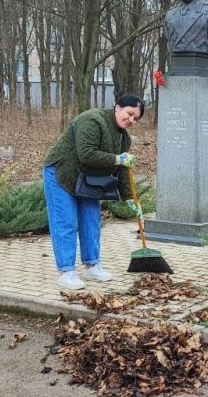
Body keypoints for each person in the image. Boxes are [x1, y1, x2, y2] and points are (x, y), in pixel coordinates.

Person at [42, 95, 145, 290]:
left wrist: (131, 198)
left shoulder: (124, 137)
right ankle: (66, 271)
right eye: (129, 113)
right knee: (66, 221)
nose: (131, 120)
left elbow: (123, 168)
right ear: (117, 107)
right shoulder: (92, 120)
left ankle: (92, 266)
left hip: (88, 179)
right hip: (61, 172)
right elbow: (87, 154)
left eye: (135, 118)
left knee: (91, 220)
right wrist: (117, 159)